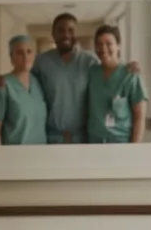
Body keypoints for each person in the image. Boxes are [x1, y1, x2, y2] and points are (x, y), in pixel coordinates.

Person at [31, 12, 100, 144]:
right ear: (53, 34)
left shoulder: (90, 61)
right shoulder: (41, 62)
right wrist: (3, 81)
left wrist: (128, 68)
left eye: (71, 30)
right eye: (61, 30)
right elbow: (24, 84)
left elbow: (110, 77)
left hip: (83, 138)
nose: (66, 35)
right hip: (51, 137)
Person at [86, 24, 147, 144]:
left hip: (120, 142)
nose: (103, 48)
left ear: (118, 46)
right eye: (99, 44)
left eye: (109, 44)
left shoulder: (131, 75)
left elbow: (139, 117)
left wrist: (135, 148)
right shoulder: (92, 72)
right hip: (93, 141)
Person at [0, 34, 47, 146]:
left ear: (34, 55)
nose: (25, 56)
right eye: (19, 52)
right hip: (14, 156)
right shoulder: (2, 85)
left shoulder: (38, 83)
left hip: (40, 154)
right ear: (11, 57)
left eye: (29, 51)